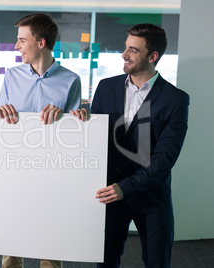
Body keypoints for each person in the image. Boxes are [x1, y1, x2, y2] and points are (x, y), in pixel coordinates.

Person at [72, 23, 189, 267]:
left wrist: (125, 187)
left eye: (133, 50)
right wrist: (82, 123)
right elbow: (98, 140)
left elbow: (165, 159)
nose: (124, 55)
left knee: (157, 263)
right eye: (125, 48)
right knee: (105, 262)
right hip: (109, 196)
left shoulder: (175, 100)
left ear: (152, 56)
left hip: (152, 198)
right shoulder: (106, 86)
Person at [0, 13, 88, 268]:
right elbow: (1, 122)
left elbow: (74, 133)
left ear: (41, 43)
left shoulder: (70, 80)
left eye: (21, 40)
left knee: (50, 246)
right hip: (15, 169)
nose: (17, 46)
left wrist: (70, 117)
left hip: (51, 172)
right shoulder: (11, 77)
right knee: (12, 248)